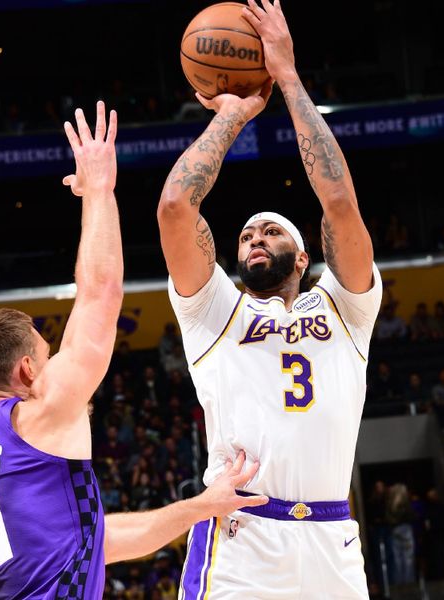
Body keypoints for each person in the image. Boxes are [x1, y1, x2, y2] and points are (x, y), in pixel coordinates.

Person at [0, 103, 266, 599]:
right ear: (26, 370)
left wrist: (204, 505)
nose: (61, 371)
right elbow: (101, 293)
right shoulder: (38, 414)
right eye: (49, 358)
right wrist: (99, 191)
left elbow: (95, 543)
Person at [157, 1, 381, 596]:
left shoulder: (344, 307)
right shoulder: (216, 313)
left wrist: (286, 76)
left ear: (304, 258)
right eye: (246, 234)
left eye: (271, 230)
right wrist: (231, 116)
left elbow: (339, 203)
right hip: (243, 538)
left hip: (333, 540)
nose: (255, 237)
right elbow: (176, 209)